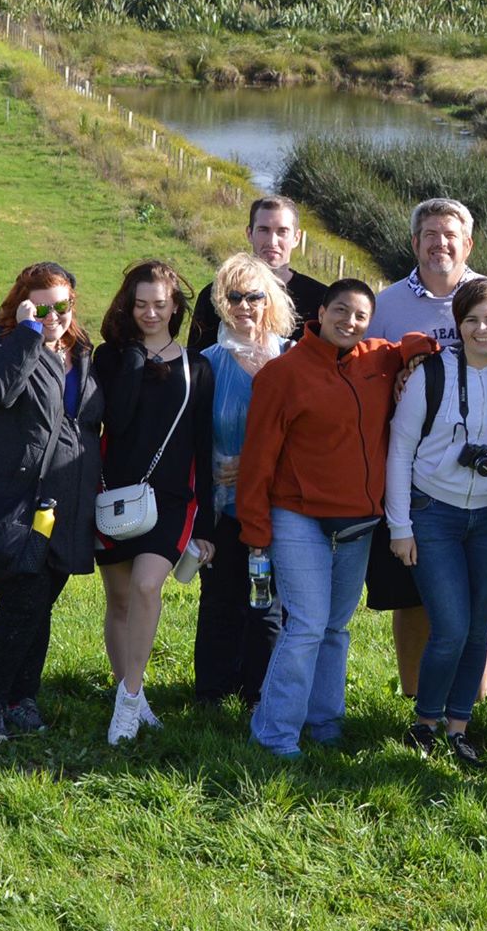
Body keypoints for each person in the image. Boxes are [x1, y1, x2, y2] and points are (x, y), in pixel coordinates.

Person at [238, 279, 436, 757]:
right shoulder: (282, 375)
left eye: (360, 315)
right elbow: (258, 458)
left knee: (335, 628)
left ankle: (325, 725)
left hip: (359, 523)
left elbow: (421, 343)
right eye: (341, 311)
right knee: (305, 624)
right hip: (298, 516)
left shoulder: (377, 359)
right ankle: (275, 734)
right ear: (321, 313)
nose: (349, 322)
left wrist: (412, 354)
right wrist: (256, 531)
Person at [367, 198, 487, 702]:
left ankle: (470, 702)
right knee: (412, 594)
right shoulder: (387, 304)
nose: (440, 244)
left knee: (477, 604)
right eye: (430, 235)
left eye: (450, 235)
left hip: (485, 487)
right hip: (414, 475)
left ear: (469, 243)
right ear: (415, 242)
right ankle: (417, 695)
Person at [0, 263, 104, 744]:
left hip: (69, 500)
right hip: (17, 502)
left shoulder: (81, 353)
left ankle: (23, 697)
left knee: (40, 605)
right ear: (22, 304)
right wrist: (26, 332)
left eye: (62, 306)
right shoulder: (0, 344)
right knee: (23, 602)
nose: (54, 315)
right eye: (41, 306)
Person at [384, 277, 487, 766]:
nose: (481, 329)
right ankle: (424, 722)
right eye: (471, 320)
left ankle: (459, 725)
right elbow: (400, 449)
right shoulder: (431, 374)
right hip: (434, 513)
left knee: (479, 627)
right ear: (456, 323)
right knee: (451, 627)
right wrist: (399, 526)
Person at [92, 260, 217, 744]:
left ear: (176, 306)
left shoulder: (197, 366)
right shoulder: (110, 358)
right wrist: (133, 361)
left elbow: (203, 447)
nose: (149, 313)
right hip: (113, 495)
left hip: (169, 499)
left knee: (147, 588)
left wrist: (205, 523)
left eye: (159, 305)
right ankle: (135, 699)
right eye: (140, 304)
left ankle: (127, 700)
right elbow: (117, 422)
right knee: (119, 600)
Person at [194, 254, 296, 708]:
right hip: (221, 504)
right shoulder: (206, 364)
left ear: (268, 299)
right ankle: (212, 693)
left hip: (278, 504)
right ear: (221, 301)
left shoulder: (291, 360)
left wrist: (257, 465)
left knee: (268, 605)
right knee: (219, 601)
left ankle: (262, 694)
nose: (244, 305)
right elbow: (194, 435)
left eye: (254, 296)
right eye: (233, 296)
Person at [188, 196, 327, 348]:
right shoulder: (217, 295)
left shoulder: (321, 299)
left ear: (296, 237)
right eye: (264, 230)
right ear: (249, 233)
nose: (272, 241)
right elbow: (196, 363)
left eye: (282, 231)